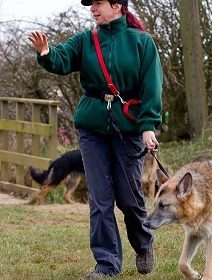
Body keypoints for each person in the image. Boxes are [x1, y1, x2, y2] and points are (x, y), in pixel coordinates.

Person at [28, 0, 163, 279]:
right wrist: (45, 52)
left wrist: (148, 125)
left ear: (117, 5)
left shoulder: (142, 42)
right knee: (100, 200)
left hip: (128, 129)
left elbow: (152, 86)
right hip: (92, 130)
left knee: (129, 199)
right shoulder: (85, 40)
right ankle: (106, 265)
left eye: (98, 3)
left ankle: (143, 243)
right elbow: (61, 58)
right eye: (91, 4)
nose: (92, 8)